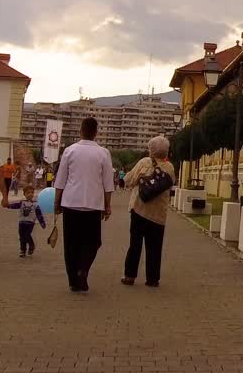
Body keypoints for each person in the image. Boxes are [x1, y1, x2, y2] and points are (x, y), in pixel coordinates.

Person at [53, 117, 113, 293]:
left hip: (71, 202)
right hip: (93, 204)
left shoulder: (70, 151)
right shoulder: (103, 153)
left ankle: (73, 281)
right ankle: (83, 269)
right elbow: (108, 183)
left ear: (81, 130)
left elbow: (60, 180)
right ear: (96, 133)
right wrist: (107, 205)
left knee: (71, 243)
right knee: (93, 242)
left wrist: (57, 202)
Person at [121, 135, 175, 288]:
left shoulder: (144, 162)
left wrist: (138, 179)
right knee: (155, 247)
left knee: (135, 244)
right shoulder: (170, 168)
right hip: (158, 214)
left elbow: (128, 180)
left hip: (139, 209)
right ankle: (152, 279)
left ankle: (130, 276)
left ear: (151, 150)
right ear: (166, 151)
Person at [8, 185, 47, 257]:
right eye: (28, 193)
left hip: (30, 222)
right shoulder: (22, 202)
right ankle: (23, 250)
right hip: (22, 222)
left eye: (32, 192)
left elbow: (39, 214)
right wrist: (8, 205)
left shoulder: (35, 204)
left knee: (27, 235)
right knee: (21, 236)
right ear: (24, 194)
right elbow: (15, 206)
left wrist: (42, 223)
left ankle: (31, 245)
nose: (30, 194)